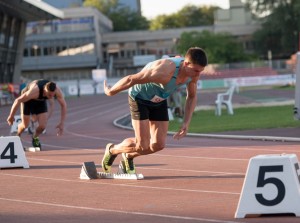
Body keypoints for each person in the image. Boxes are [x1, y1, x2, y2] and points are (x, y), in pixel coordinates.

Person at [102, 47, 208, 174]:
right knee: (142, 145)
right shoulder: (164, 71)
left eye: (201, 71)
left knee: (158, 145)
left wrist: (186, 123)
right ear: (185, 64)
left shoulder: (193, 75)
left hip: (159, 100)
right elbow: (132, 79)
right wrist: (110, 91)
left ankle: (128, 156)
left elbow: (191, 96)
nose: (198, 75)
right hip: (139, 98)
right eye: (196, 71)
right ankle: (112, 150)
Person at [7, 79, 67, 149]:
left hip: (40, 101)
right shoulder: (34, 91)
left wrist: (62, 123)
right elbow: (17, 100)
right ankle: (18, 135)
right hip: (28, 101)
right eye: (49, 95)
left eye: (53, 95)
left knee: (42, 126)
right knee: (25, 125)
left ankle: (35, 137)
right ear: (45, 90)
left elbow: (63, 105)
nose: (51, 97)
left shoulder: (57, 90)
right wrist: (11, 116)